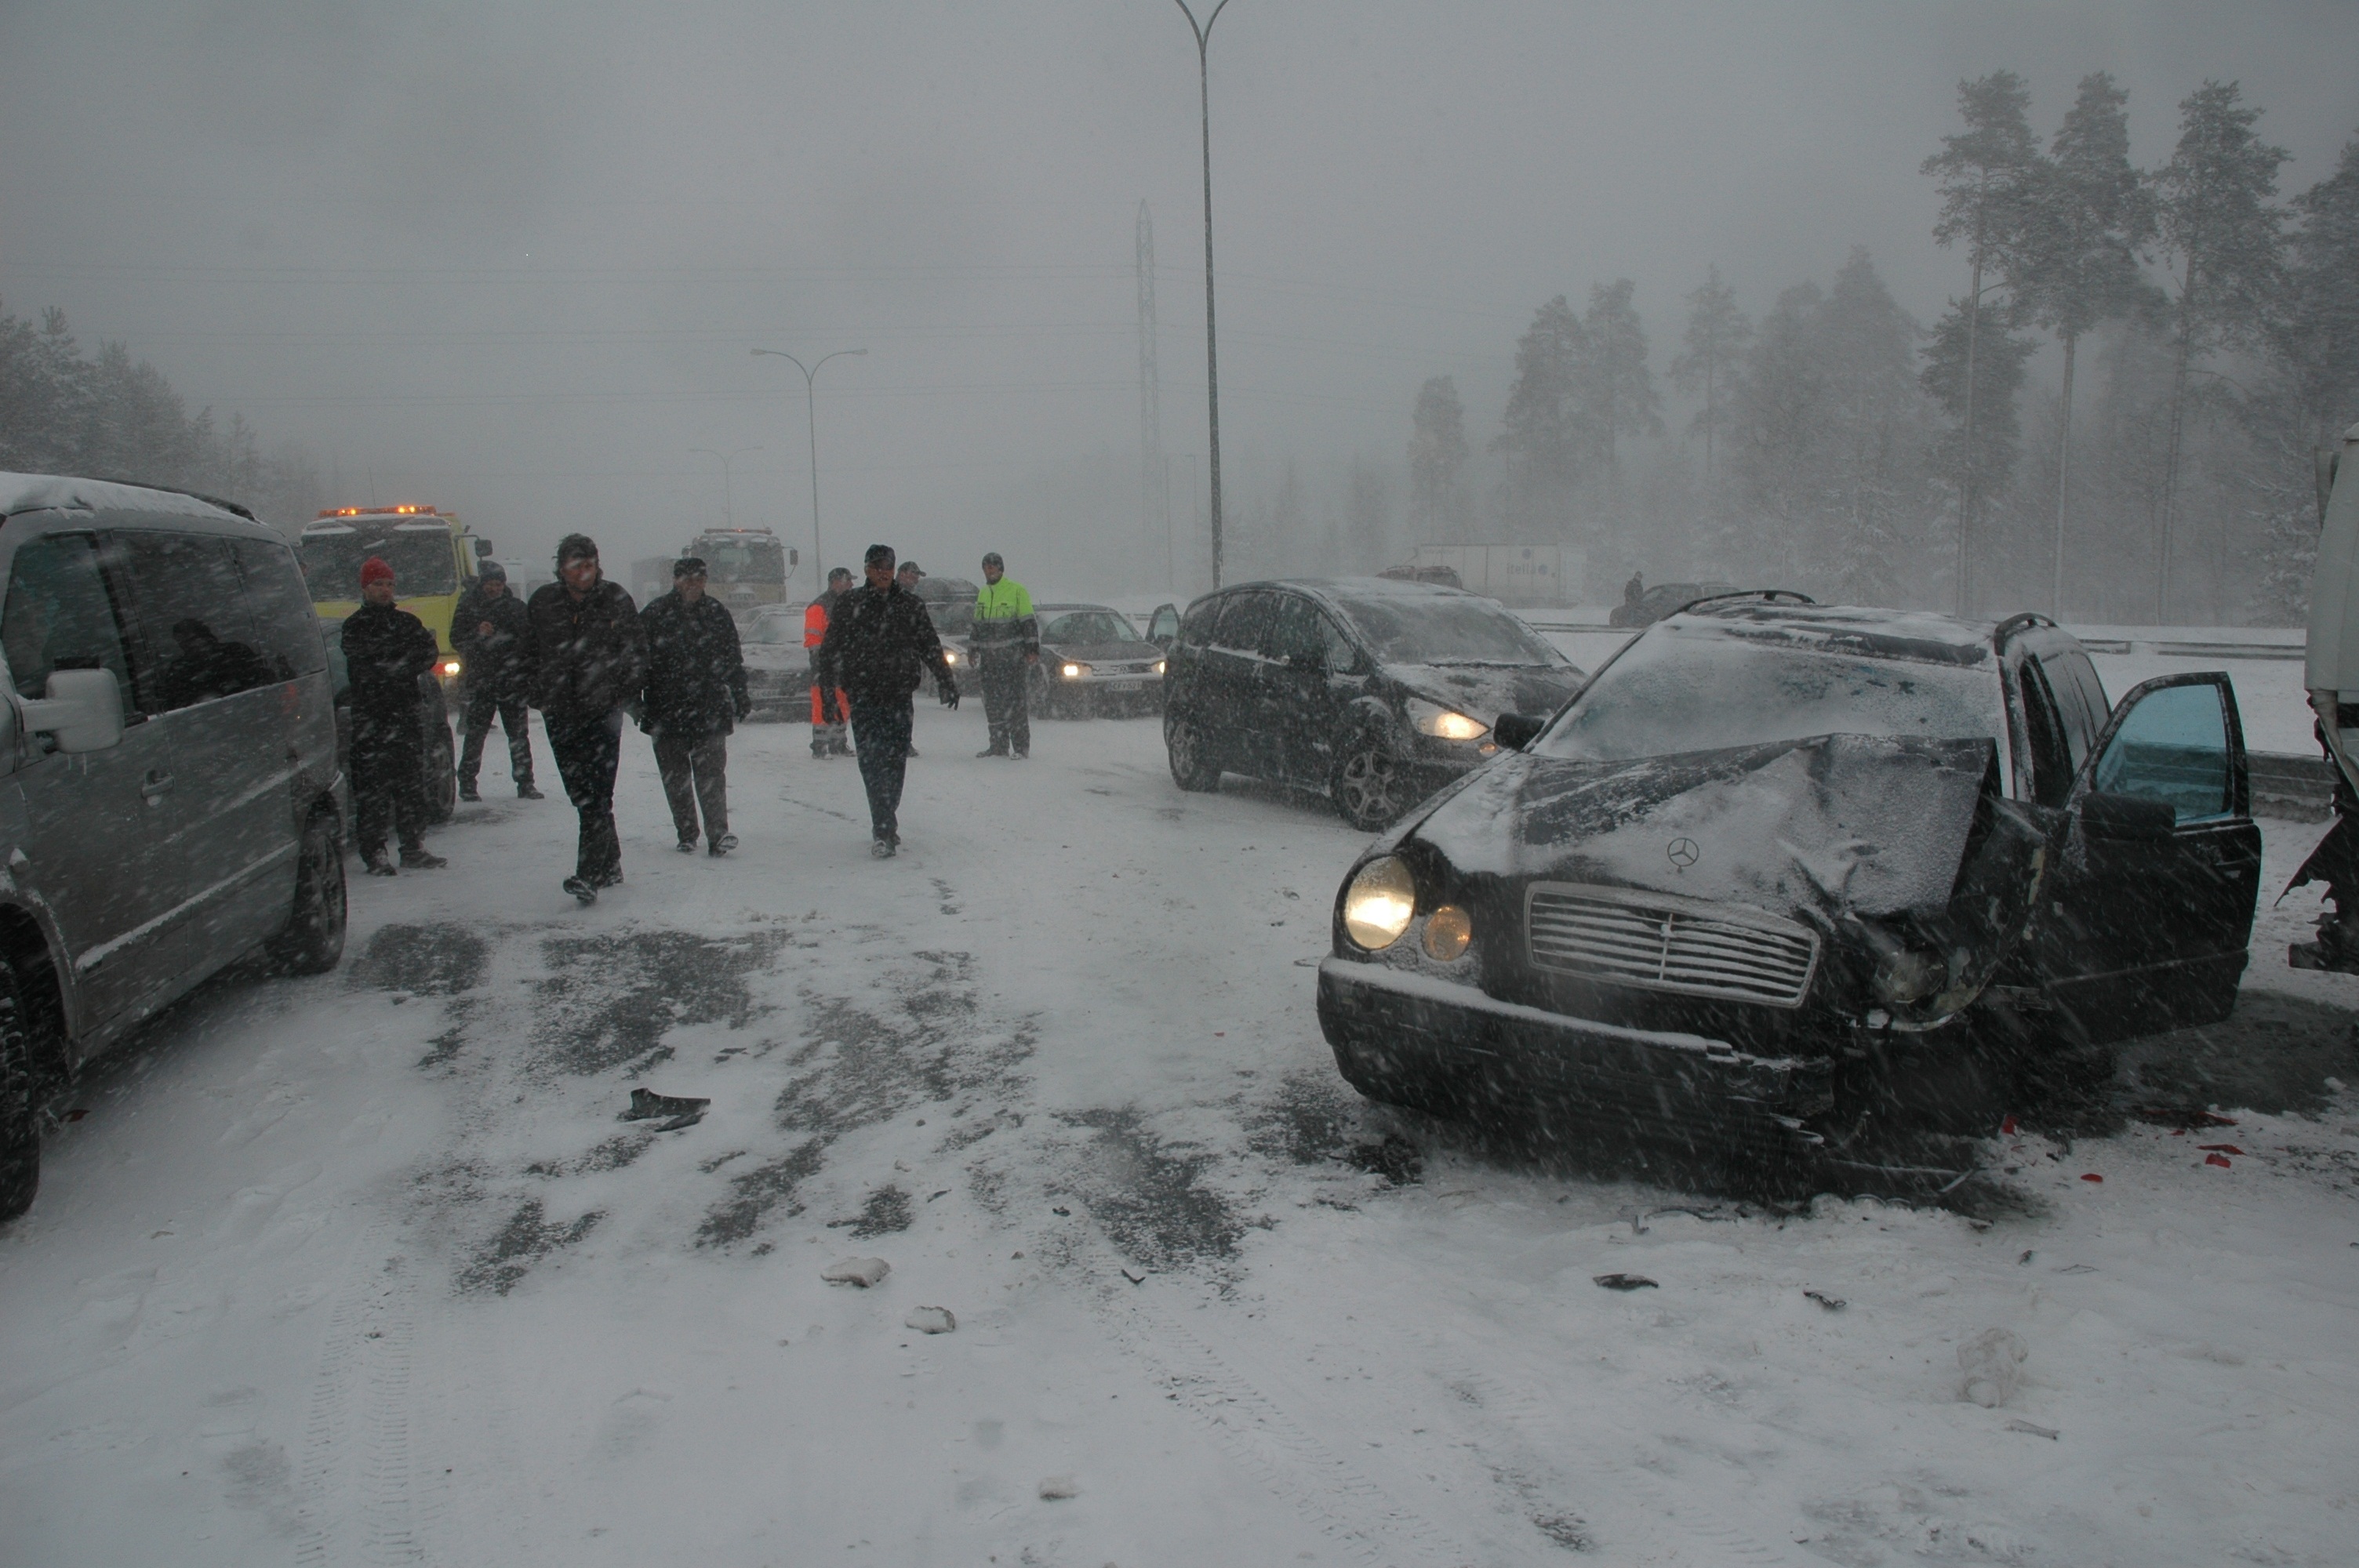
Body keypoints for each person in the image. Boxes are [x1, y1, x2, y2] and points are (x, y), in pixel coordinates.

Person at [815, 543, 957, 857]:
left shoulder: (910, 605)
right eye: (877, 567)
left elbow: (930, 645)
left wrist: (947, 680)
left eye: (888, 567)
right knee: (870, 763)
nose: (883, 573)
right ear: (866, 569)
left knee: (894, 763)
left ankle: (887, 816)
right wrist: (828, 695)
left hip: (898, 696)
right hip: (864, 696)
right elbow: (830, 652)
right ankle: (882, 827)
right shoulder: (850, 604)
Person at [527, 533, 646, 903]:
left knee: (598, 791)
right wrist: (536, 691)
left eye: (590, 565)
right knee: (581, 792)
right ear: (562, 570)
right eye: (576, 567)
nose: (584, 574)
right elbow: (526, 649)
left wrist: (626, 690)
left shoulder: (615, 599)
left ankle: (588, 873)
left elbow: (636, 649)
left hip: (603, 710)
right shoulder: (544, 602)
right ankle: (610, 864)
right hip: (560, 710)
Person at [341, 556, 446, 875]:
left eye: (389, 584)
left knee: (410, 785)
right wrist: (396, 665)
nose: (385, 591)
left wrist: (397, 666)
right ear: (365, 588)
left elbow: (427, 652)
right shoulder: (355, 626)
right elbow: (364, 665)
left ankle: (412, 846)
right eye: (378, 584)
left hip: (405, 716)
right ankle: (374, 852)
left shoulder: (406, 623)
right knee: (372, 789)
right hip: (370, 719)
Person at [640, 557, 749, 856]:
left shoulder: (717, 613)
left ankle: (718, 834)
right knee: (676, 778)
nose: (693, 585)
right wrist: (637, 700)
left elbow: (732, 658)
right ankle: (686, 832)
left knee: (712, 775)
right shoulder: (655, 614)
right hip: (666, 709)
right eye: (687, 579)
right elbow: (637, 661)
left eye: (699, 579)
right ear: (676, 580)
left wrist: (740, 692)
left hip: (709, 708)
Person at [451, 561, 541, 801]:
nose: (494, 588)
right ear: (482, 584)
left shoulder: (516, 608)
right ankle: (468, 784)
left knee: (518, 737)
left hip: (511, 682)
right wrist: (476, 634)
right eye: (490, 584)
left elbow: (530, 642)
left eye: (498, 584)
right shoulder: (469, 607)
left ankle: (525, 783)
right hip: (483, 683)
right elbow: (456, 639)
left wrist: (525, 672)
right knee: (476, 735)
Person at [970, 550, 1038, 759]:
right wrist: (973, 649)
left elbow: (1029, 622)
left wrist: (1032, 650)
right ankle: (998, 746)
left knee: (1015, 704)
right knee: (993, 705)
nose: (990, 570)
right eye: (986, 567)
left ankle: (1020, 748)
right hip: (990, 662)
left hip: (1012, 660)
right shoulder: (983, 593)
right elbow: (977, 626)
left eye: (993, 566)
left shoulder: (1017, 591)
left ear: (1001, 569)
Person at [805, 566, 854, 760]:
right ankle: (820, 745)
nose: (851, 584)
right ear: (835, 582)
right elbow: (813, 639)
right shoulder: (820, 606)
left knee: (842, 703)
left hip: (844, 665)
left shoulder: (848, 604)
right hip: (825, 666)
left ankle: (838, 743)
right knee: (822, 704)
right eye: (847, 580)